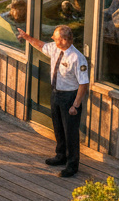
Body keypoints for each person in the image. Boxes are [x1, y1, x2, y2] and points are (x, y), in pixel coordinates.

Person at [17, 23, 89, 177]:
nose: (53, 41)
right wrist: (26, 37)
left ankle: (72, 165)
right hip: (56, 94)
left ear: (63, 40)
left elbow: (84, 83)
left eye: (56, 39)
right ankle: (60, 155)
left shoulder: (77, 58)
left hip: (70, 97)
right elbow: (41, 45)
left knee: (70, 132)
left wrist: (75, 105)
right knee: (58, 127)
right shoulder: (56, 48)